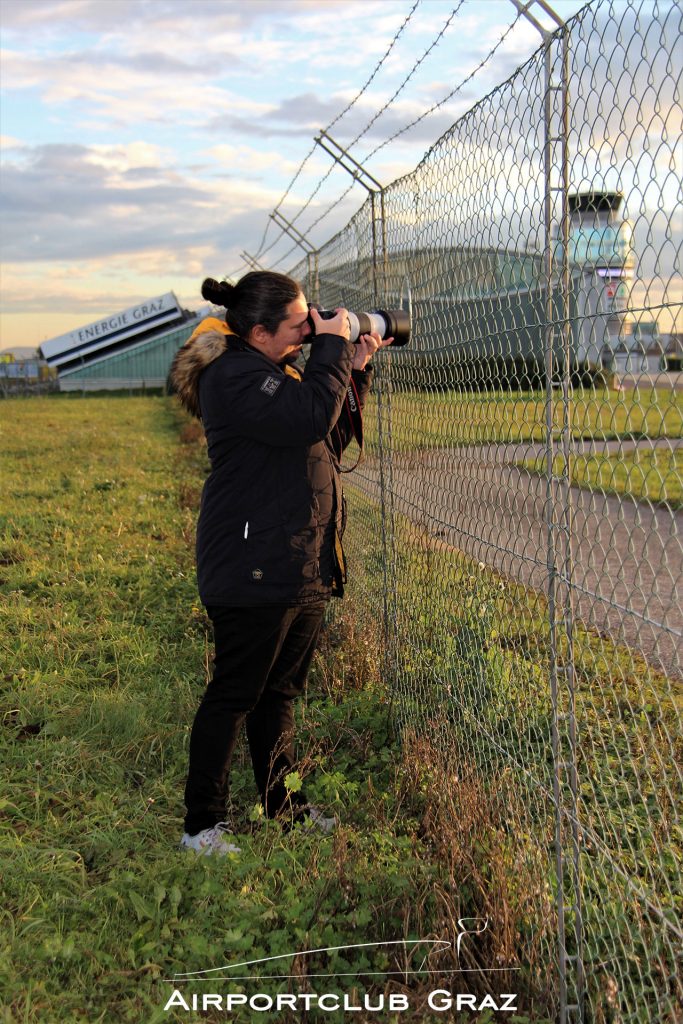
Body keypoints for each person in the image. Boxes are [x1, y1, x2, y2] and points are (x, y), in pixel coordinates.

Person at [170, 271, 389, 855]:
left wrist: (355, 367)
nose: (310, 331)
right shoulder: (234, 376)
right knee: (235, 695)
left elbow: (327, 435)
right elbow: (305, 418)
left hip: (300, 559)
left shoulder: (279, 370)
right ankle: (202, 825)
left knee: (280, 695)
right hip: (253, 565)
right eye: (299, 326)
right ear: (261, 332)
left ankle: (283, 806)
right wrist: (333, 349)